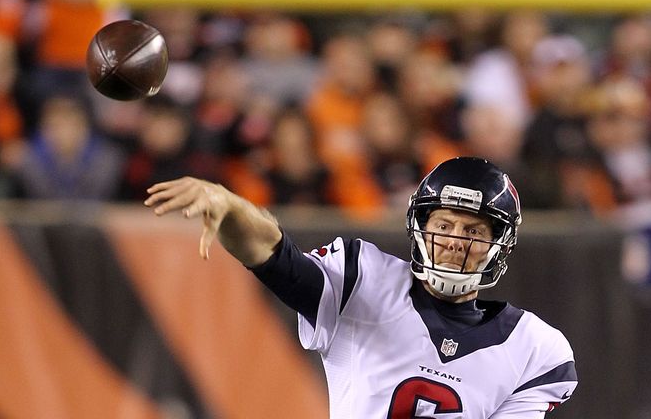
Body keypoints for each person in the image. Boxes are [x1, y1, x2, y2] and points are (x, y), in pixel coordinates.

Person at [144, 156, 578, 418]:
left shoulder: (536, 351)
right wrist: (231, 207)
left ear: (497, 244)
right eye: (443, 224)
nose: (452, 241)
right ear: (420, 227)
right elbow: (275, 256)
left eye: (472, 230)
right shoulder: (364, 280)